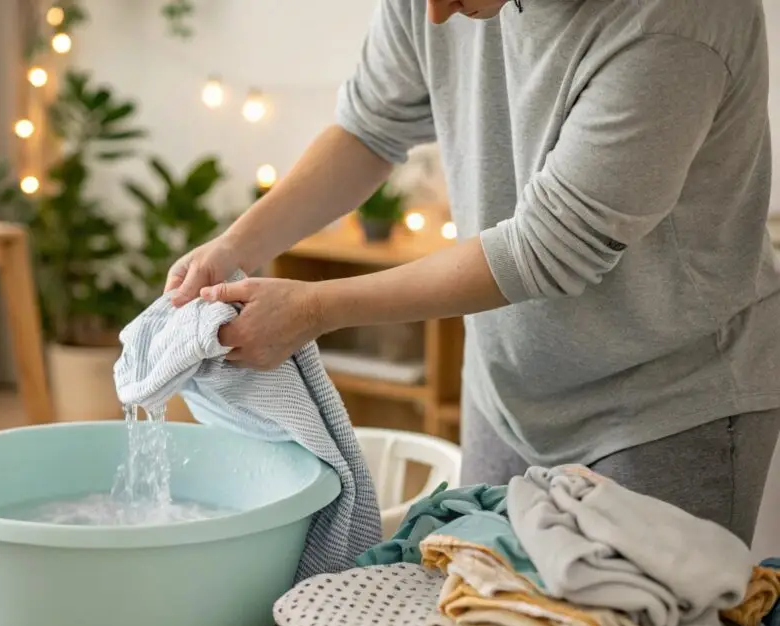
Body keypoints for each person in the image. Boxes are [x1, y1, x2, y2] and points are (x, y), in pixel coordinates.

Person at [163, 0, 780, 545]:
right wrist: (236, 245)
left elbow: (550, 246)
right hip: (503, 389)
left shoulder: (682, 18)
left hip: (667, 404)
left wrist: (315, 310)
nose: (434, 14)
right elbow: (369, 129)